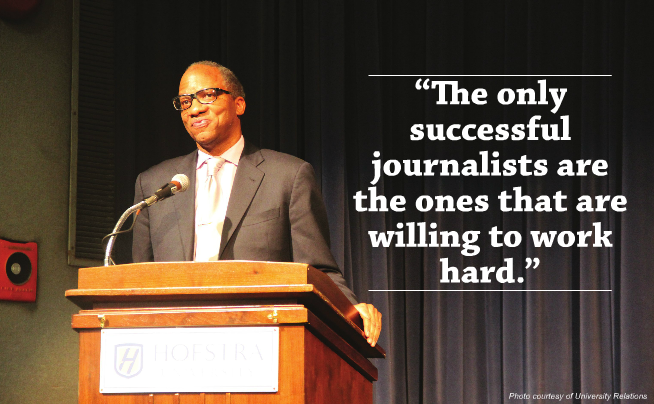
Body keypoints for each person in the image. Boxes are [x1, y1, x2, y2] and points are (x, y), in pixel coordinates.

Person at [132, 61, 382, 346]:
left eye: (207, 96)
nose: (194, 109)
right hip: (171, 344)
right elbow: (139, 278)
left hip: (257, 344)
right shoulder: (155, 185)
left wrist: (352, 312)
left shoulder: (288, 176)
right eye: (185, 101)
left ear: (239, 104)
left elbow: (317, 270)